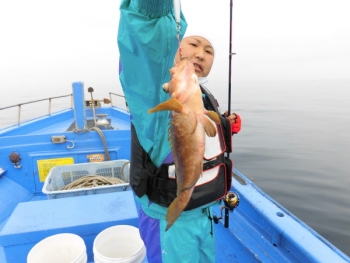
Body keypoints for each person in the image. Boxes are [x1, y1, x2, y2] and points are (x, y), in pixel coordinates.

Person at [118, 1, 241, 262]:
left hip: (204, 210)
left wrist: (224, 123)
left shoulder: (201, 96)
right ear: (176, 46)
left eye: (209, 51)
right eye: (193, 44)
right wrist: (156, 13)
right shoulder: (156, 92)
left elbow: (200, 129)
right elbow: (147, 43)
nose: (200, 54)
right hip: (170, 218)